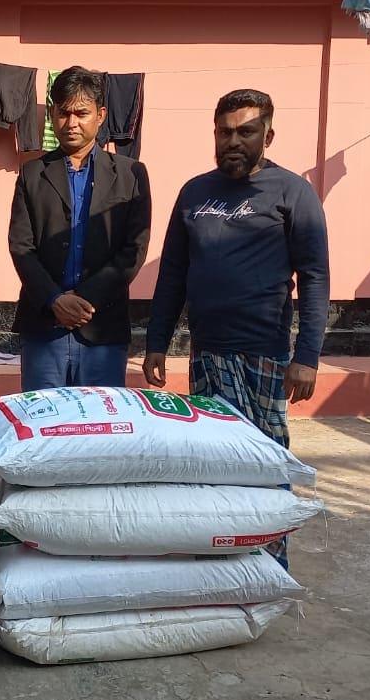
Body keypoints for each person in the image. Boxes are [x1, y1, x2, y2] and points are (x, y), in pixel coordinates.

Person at [143, 88, 330, 570]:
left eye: (246, 132)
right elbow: (173, 274)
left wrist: (307, 356)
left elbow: (314, 277)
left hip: (265, 354)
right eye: (224, 132)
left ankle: (269, 566)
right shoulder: (194, 193)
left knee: (265, 461)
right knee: (214, 461)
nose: (234, 141)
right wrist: (157, 342)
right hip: (207, 354)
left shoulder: (293, 193)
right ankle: (222, 563)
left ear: (268, 135)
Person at [8, 66, 151, 390]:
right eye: (63, 113)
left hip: (102, 327)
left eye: (81, 113)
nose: (71, 122)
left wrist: (85, 299)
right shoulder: (32, 174)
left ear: (100, 115)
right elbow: (21, 246)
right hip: (44, 326)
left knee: (100, 418)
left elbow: (134, 248)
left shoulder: (131, 174)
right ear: (53, 115)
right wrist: (55, 299)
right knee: (44, 417)